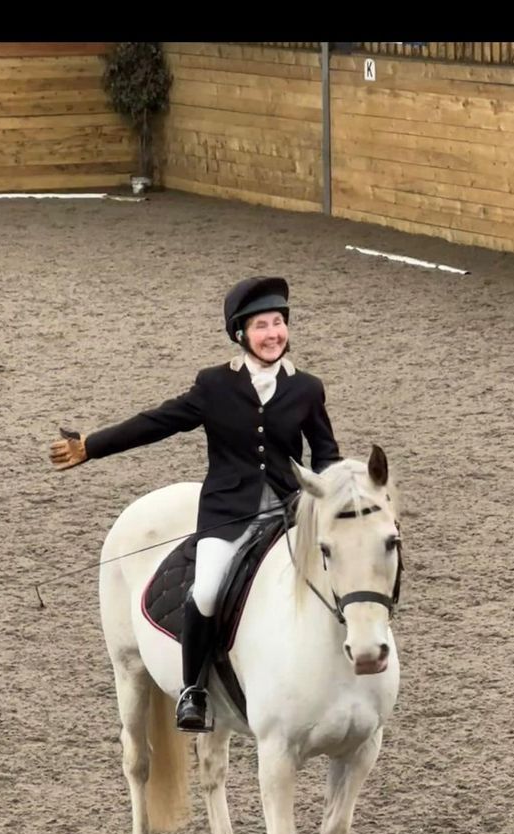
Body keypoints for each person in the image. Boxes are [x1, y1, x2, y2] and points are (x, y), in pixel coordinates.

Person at [50, 277, 342, 732]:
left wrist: (329, 490)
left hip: (288, 514)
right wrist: (93, 446)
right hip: (229, 515)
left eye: (279, 323)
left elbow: (325, 451)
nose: (273, 333)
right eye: (262, 325)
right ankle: (194, 691)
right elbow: (159, 422)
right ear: (241, 334)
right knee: (205, 591)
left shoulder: (307, 388)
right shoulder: (214, 385)